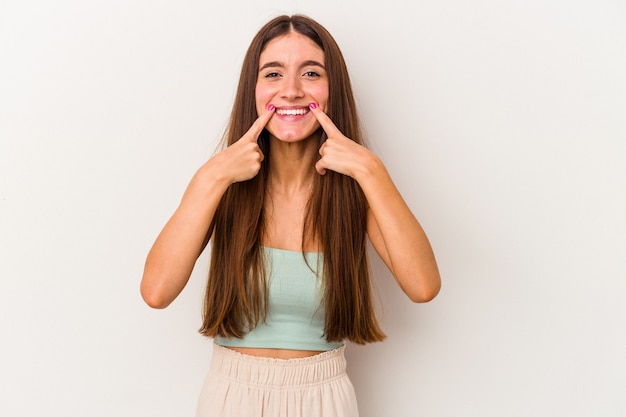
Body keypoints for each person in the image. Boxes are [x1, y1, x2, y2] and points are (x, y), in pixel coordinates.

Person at [140, 14, 441, 417]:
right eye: (274, 73)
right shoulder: (221, 184)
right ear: (254, 89)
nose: (292, 90)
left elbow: (423, 286)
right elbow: (156, 291)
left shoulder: (354, 189)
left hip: (325, 399)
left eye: (311, 73)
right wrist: (212, 176)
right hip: (231, 398)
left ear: (333, 90)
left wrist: (371, 170)